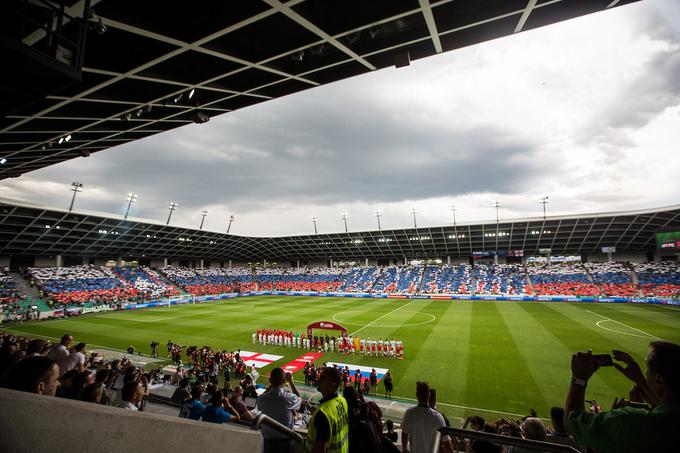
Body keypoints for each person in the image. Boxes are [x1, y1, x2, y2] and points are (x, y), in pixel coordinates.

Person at [565, 342, 680, 452]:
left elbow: (572, 423)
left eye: (647, 368)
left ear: (659, 380)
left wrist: (579, 379)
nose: (645, 372)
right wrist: (641, 381)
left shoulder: (631, 423)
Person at [256, 368, 302, 453]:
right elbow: (299, 398)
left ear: (270, 380)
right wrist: (291, 381)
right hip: (285, 442)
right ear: (284, 381)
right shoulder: (288, 398)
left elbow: (260, 399)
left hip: (268, 441)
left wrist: (272, 384)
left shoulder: (263, 398)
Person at [305, 367, 349, 453]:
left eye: (322, 378)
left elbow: (320, 449)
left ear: (332, 384)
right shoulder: (342, 400)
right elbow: (333, 422)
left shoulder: (323, 414)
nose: (318, 380)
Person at [401, 381, 453, 453]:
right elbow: (448, 446)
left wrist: (404, 449)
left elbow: (404, 434)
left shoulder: (409, 413)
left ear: (417, 395)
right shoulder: (438, 417)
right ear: (429, 394)